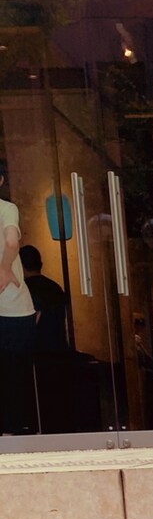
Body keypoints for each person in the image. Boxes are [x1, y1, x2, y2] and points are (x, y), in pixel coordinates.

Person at [0, 161, 39, 434]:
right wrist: (4, 268)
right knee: (19, 378)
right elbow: (12, 241)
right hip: (14, 308)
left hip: (12, 308)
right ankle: (20, 434)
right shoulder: (6, 208)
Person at [19, 244, 69, 354]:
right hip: (59, 349)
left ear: (20, 266)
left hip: (38, 352)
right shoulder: (55, 287)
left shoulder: (24, 291)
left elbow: (30, 324)